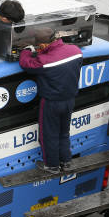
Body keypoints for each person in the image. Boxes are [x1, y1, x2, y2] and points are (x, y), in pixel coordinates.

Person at [19, 28, 83, 174]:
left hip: (51, 103)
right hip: (70, 100)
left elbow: (25, 63)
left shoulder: (44, 61)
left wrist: (27, 51)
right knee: (64, 132)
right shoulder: (76, 51)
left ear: (41, 46)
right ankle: (66, 161)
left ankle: (52, 166)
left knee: (49, 135)